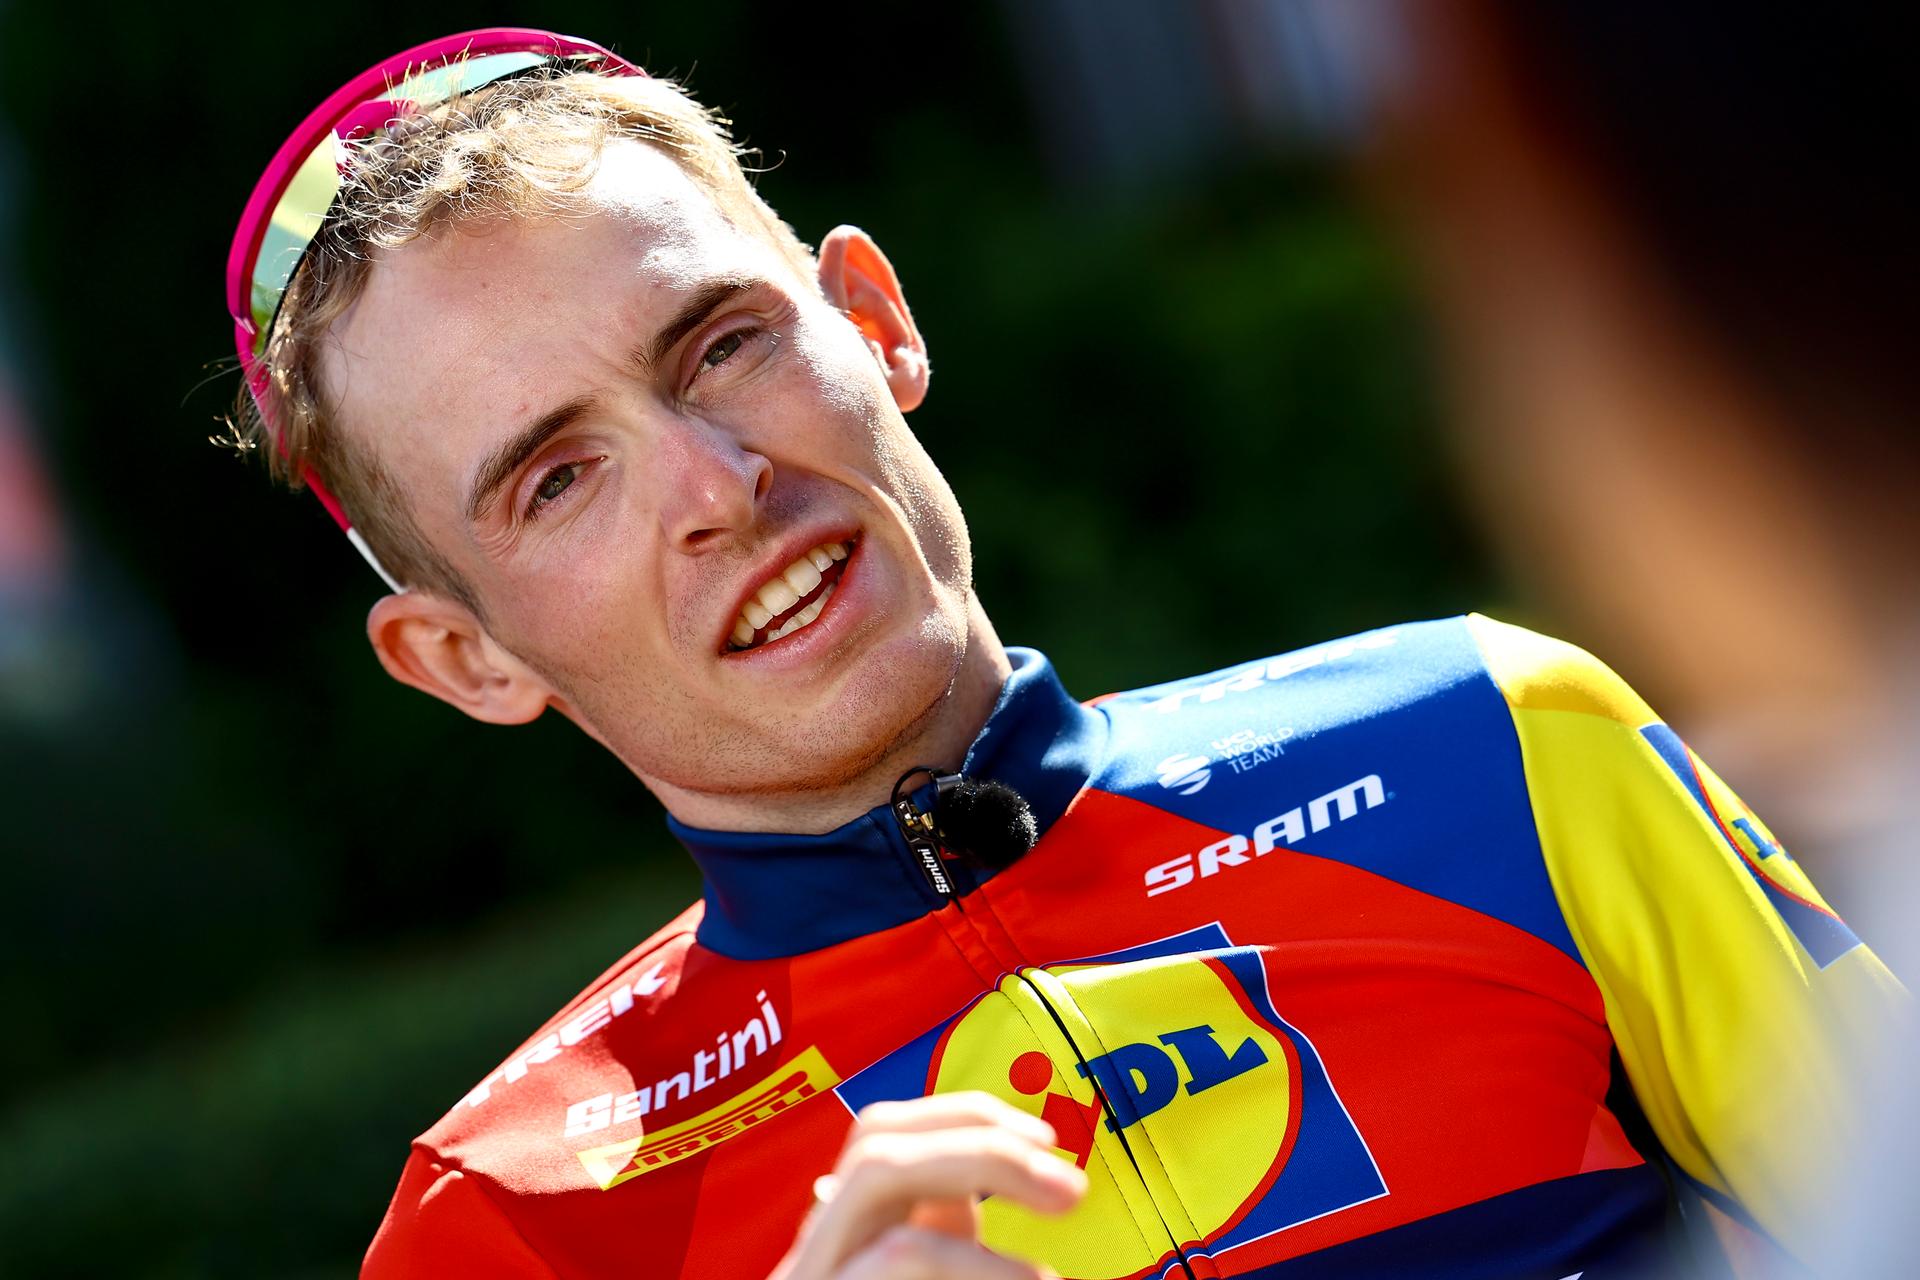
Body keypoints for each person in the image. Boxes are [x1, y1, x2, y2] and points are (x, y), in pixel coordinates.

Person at [223, 29, 1906, 1280]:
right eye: (559, 479)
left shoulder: (1498, 740)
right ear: (464, 658)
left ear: (873, 323)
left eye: (721, 345)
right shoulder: (503, 1223)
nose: (716, 489)